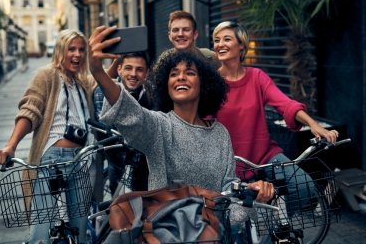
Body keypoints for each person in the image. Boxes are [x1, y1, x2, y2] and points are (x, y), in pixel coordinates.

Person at [88, 25, 274, 225]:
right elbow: (130, 112)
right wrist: (98, 72)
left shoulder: (219, 133)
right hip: (171, 233)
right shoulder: (159, 126)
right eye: (174, 74)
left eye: (190, 73)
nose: (181, 77)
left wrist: (252, 191)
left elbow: (228, 186)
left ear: (204, 84)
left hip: (212, 234)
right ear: (166, 86)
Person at [212, 21, 340, 207]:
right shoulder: (213, 82)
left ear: (241, 45)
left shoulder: (257, 77)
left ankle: (275, 229)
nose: (220, 44)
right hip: (230, 162)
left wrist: (314, 125)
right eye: (216, 40)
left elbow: (285, 104)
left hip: (264, 155)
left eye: (227, 39)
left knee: (304, 186)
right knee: (237, 217)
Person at [0, 29, 98, 244]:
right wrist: (10, 146)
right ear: (61, 50)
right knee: (41, 232)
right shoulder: (47, 75)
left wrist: (115, 59)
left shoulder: (81, 83)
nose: (77, 55)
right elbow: (30, 110)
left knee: (80, 230)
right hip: (52, 160)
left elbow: (102, 80)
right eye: (71, 49)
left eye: (81, 50)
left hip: (80, 160)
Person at [94, 51, 151, 193]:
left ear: (147, 73)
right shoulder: (101, 94)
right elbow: (106, 125)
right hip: (118, 167)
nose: (133, 74)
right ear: (119, 70)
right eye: (128, 68)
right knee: (120, 210)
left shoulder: (154, 94)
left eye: (139, 69)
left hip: (147, 171)